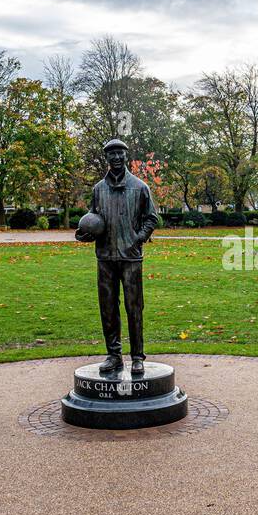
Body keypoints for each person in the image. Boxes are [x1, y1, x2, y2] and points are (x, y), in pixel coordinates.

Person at [75, 139, 160, 374]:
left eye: (119, 153)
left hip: (131, 257)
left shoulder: (140, 187)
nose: (115, 157)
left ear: (125, 156)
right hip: (105, 257)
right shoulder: (98, 189)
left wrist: (138, 237)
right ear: (107, 158)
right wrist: (85, 234)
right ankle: (113, 355)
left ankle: (137, 356)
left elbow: (151, 218)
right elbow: (95, 221)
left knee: (134, 307)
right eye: (111, 153)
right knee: (108, 308)